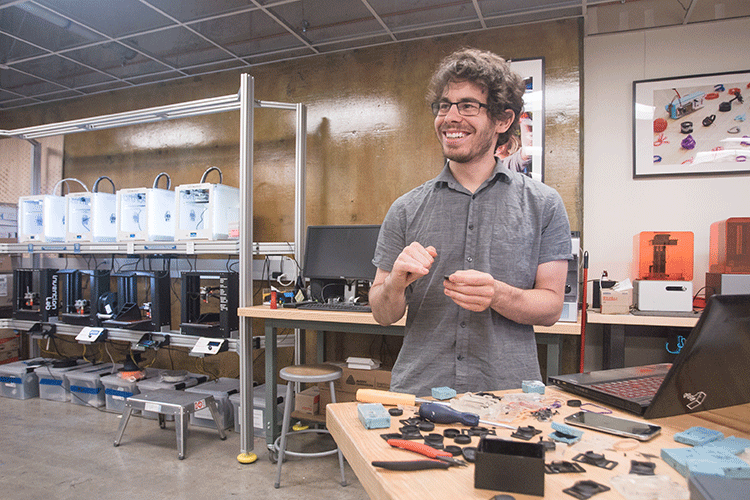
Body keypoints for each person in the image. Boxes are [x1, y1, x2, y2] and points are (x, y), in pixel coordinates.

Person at [369, 48, 572, 397]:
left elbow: (551, 307)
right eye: (444, 105)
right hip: (420, 392)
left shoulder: (544, 204)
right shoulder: (406, 208)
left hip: (508, 395)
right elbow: (383, 314)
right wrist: (394, 287)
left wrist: (498, 294)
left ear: (503, 120)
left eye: (468, 106)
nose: (450, 117)